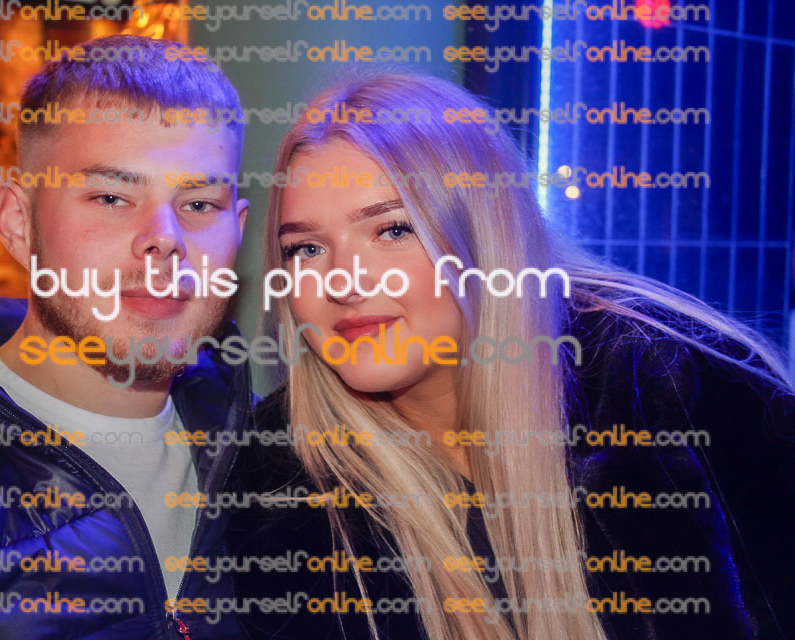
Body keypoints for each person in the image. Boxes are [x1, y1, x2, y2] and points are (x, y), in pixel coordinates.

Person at [226, 73, 795, 640]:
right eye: (306, 248)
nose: (343, 280)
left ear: (483, 233)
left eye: (394, 229)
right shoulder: (274, 477)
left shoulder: (673, 385)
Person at [0, 36, 253, 639]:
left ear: (237, 230)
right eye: (111, 197)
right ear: (18, 223)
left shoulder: (277, 466)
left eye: (199, 204)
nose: (165, 239)